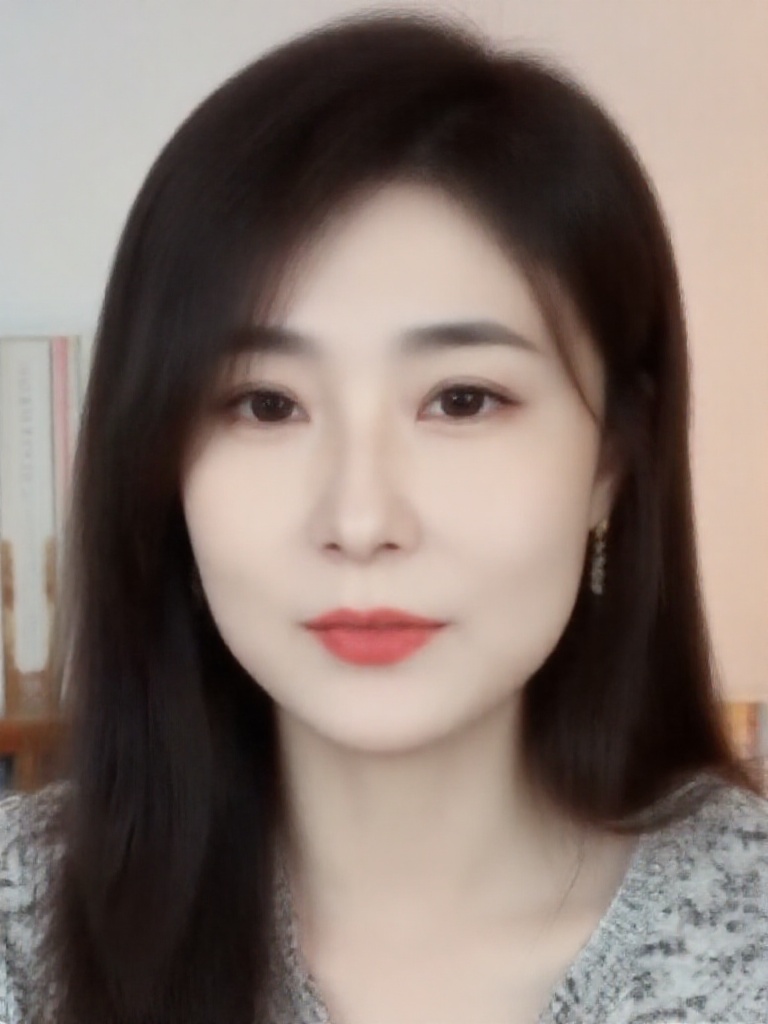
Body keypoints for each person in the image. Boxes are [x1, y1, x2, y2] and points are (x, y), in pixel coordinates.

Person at [1, 9, 766, 1024]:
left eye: (462, 399)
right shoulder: (20, 932)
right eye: (264, 404)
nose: (361, 521)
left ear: (611, 461)